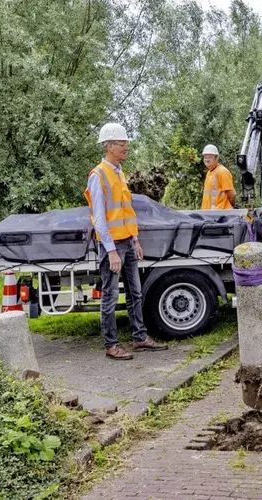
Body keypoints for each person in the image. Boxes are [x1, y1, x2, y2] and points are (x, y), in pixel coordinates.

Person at [84, 123, 169, 360]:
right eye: (122, 144)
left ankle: (140, 338)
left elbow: (126, 211)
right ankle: (111, 345)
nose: (126, 148)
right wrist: (111, 251)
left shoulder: (119, 172)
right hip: (112, 246)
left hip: (128, 243)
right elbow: (99, 219)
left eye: (126, 144)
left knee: (135, 292)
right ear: (109, 146)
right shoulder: (98, 175)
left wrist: (135, 239)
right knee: (110, 296)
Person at [200, 144, 236, 209]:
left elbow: (232, 195)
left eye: (210, 157)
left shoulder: (222, 172)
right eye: (205, 157)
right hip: (209, 215)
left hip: (220, 215)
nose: (207, 160)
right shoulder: (209, 172)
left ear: (216, 158)